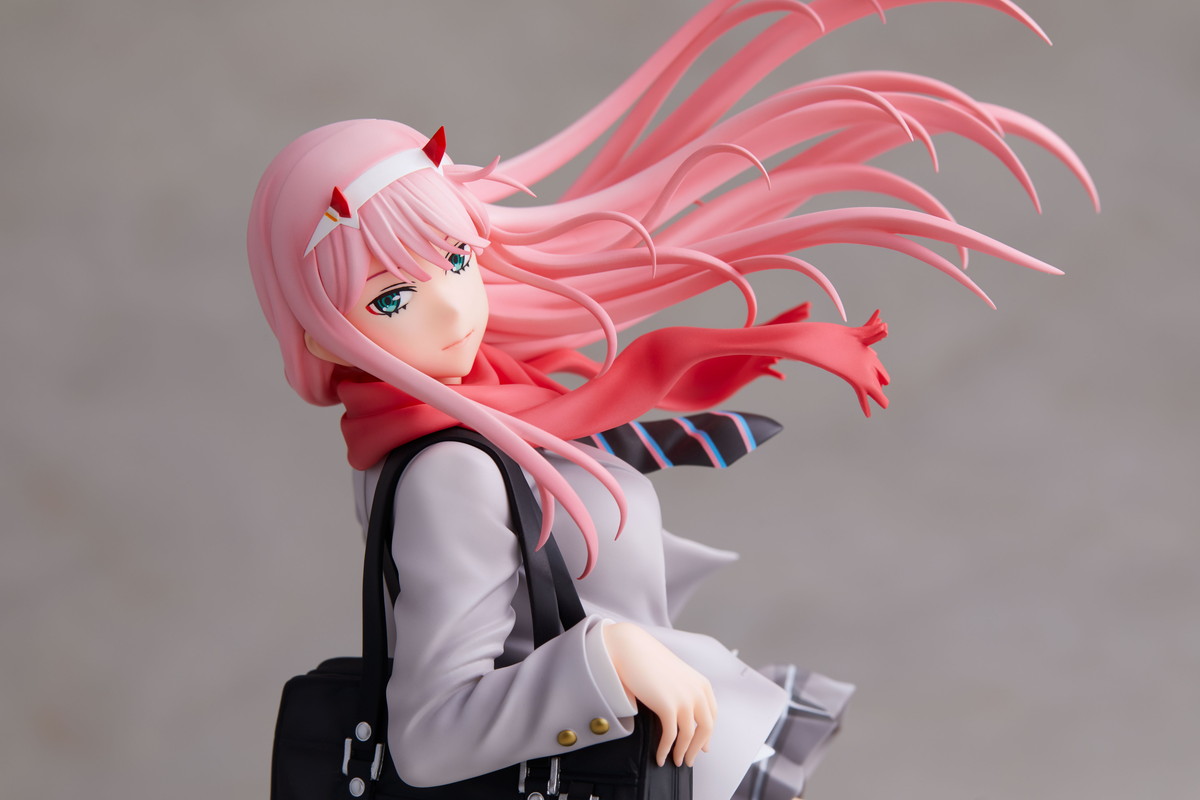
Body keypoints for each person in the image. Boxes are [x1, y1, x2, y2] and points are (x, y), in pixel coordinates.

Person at [246, 2, 1095, 799]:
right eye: (392, 298)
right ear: (320, 336)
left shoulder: (476, 410)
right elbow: (430, 735)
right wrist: (605, 659)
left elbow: (610, 395)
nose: (452, 308)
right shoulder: (445, 470)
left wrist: (763, 348)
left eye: (459, 258)